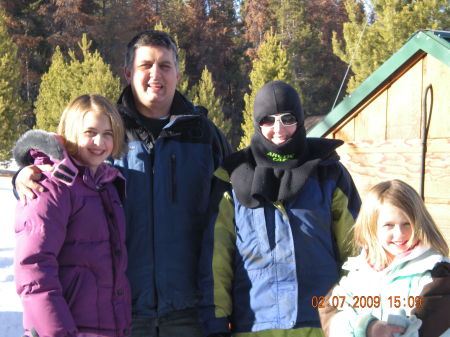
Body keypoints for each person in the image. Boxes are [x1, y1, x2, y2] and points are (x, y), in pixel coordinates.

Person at [13, 30, 232, 337]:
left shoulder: (204, 136)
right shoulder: (106, 133)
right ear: (128, 72)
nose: (155, 74)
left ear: (178, 74)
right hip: (121, 312)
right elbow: (57, 174)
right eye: (146, 65)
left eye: (165, 66)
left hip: (189, 311)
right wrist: (25, 174)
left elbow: (239, 205)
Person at [198, 81, 361, 337]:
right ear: (256, 123)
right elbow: (217, 261)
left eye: (287, 118)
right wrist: (216, 324)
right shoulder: (231, 179)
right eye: (268, 120)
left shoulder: (328, 173)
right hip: (255, 325)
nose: (278, 129)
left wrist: (362, 314)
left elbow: (357, 252)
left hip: (324, 323)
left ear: (300, 119)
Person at [13, 95, 131, 337]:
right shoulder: (50, 186)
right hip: (69, 329)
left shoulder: (107, 185)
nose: (100, 141)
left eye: (108, 133)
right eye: (90, 132)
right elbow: (34, 269)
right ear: (71, 132)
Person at [319, 179, 450, 337]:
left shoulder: (436, 274)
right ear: (372, 227)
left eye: (407, 223)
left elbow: (421, 328)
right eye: (389, 225)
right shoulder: (360, 271)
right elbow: (332, 312)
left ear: (419, 222)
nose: (400, 233)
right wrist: (368, 328)